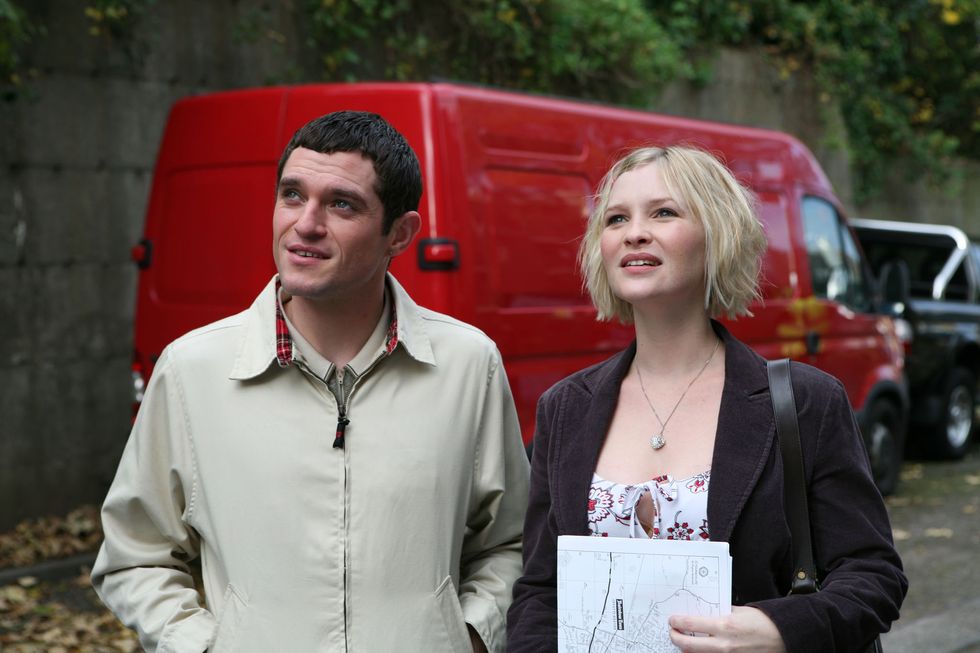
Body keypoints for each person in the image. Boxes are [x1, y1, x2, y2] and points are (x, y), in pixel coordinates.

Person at [92, 111, 529, 652]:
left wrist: (468, 637)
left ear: (400, 233)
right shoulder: (191, 370)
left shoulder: (468, 364)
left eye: (341, 204)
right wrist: (204, 647)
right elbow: (135, 556)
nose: (306, 223)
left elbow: (510, 543)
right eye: (292, 195)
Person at [506, 145, 906, 652]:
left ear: (718, 235)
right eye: (615, 219)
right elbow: (541, 592)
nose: (634, 232)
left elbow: (872, 575)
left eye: (664, 212)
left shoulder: (805, 401)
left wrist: (782, 629)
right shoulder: (565, 408)